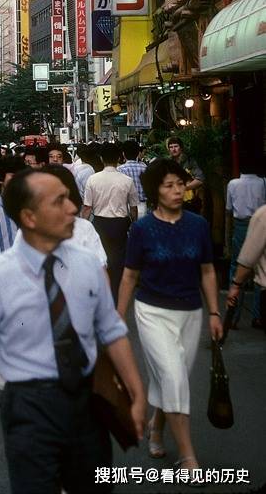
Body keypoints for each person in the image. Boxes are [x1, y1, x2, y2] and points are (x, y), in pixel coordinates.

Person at [0, 167, 146, 494]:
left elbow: (112, 331)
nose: (72, 208)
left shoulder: (87, 264)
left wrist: (136, 393)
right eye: (59, 201)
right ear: (29, 217)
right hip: (28, 406)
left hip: (87, 399)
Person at [117, 157, 223, 472]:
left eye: (180, 184)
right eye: (169, 185)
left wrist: (214, 312)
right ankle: (188, 456)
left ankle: (157, 427)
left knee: (173, 377)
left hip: (190, 312)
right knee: (173, 376)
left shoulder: (197, 225)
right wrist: (118, 317)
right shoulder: (142, 229)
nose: (178, 191)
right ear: (155, 191)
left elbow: (207, 271)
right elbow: (129, 276)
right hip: (152, 312)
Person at [82, 142, 139, 302]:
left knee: (101, 258)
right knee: (119, 259)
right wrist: (133, 223)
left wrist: (82, 225)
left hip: (100, 223)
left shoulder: (93, 179)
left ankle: (103, 294)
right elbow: (133, 207)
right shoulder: (127, 180)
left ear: (101, 158)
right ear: (119, 157)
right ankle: (116, 292)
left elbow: (87, 207)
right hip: (121, 223)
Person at [225, 164, 266, 328]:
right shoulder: (263, 182)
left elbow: (229, 209)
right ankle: (258, 316)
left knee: (237, 267)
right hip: (261, 223)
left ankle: (233, 316)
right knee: (260, 270)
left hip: (240, 224)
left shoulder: (233, 184)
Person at [166, 136, 205, 214]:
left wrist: (185, 187)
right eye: (171, 147)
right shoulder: (167, 163)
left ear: (181, 148)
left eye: (176, 146)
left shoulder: (189, 161)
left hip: (189, 203)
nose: (173, 149)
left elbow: (200, 179)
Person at [118, 140, 148, 220]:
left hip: (126, 207)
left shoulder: (120, 170)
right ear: (138, 153)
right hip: (143, 206)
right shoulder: (145, 168)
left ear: (123, 154)